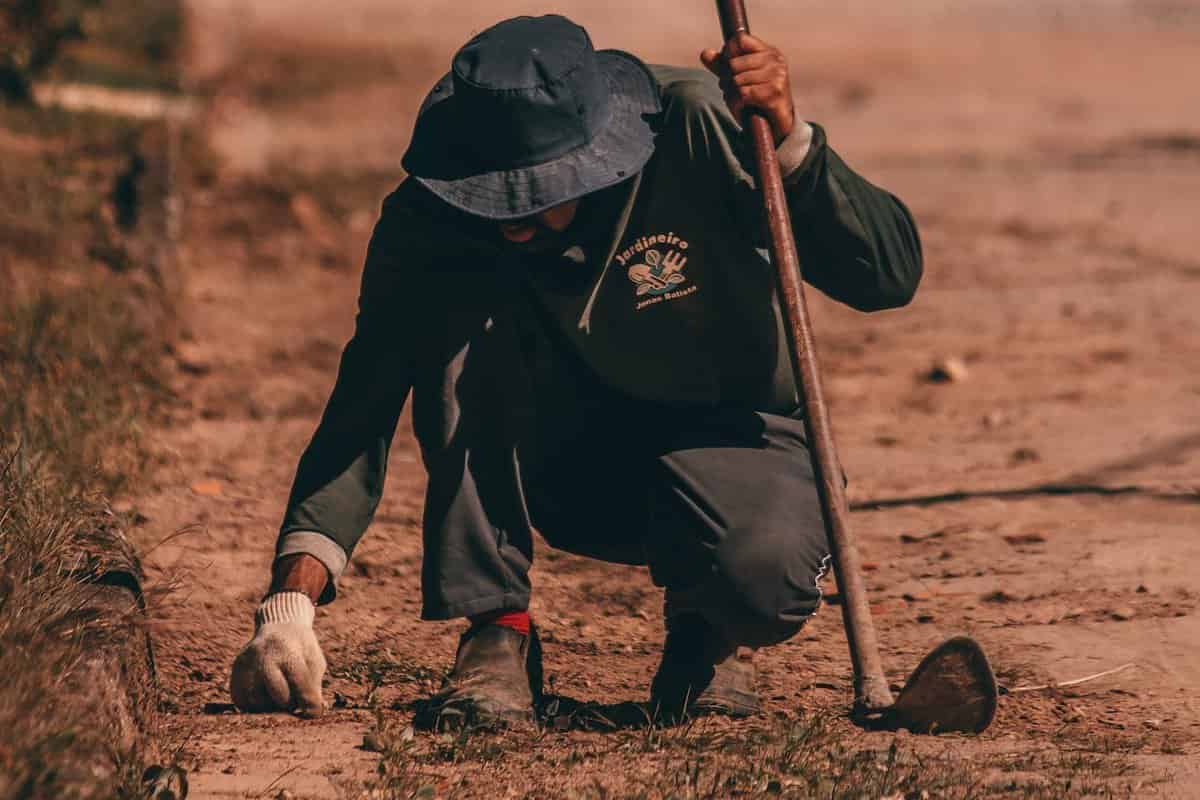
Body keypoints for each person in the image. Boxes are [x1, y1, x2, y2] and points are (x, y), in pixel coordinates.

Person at [230, 13, 922, 728]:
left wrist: (789, 142)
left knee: (762, 583)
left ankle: (706, 628)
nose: (512, 217)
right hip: (563, 466)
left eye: (534, 191)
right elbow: (363, 401)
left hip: (733, 440)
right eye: (491, 191)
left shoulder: (698, 125)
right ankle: (498, 629)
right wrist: (290, 606)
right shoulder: (429, 215)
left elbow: (891, 275)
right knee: (451, 323)